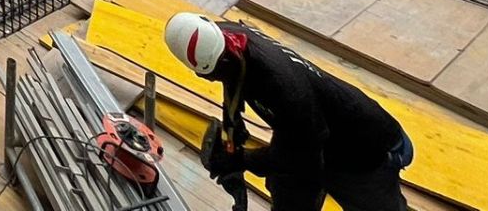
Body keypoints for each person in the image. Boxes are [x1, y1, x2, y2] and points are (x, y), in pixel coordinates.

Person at [164, 11, 412, 211]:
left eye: (207, 73)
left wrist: (240, 160)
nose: (206, 79)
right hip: (313, 132)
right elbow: (233, 77)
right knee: (286, 192)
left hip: (364, 149)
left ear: (222, 60)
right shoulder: (225, 39)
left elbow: (298, 158)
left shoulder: (284, 89)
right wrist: (232, 125)